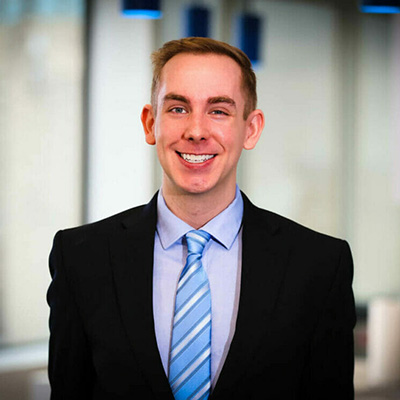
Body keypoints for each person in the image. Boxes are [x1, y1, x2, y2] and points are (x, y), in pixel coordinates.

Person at [47, 37, 356, 400]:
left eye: (219, 111)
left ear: (251, 128)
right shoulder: (81, 257)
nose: (196, 131)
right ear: (150, 123)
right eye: (178, 108)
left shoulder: (319, 265)